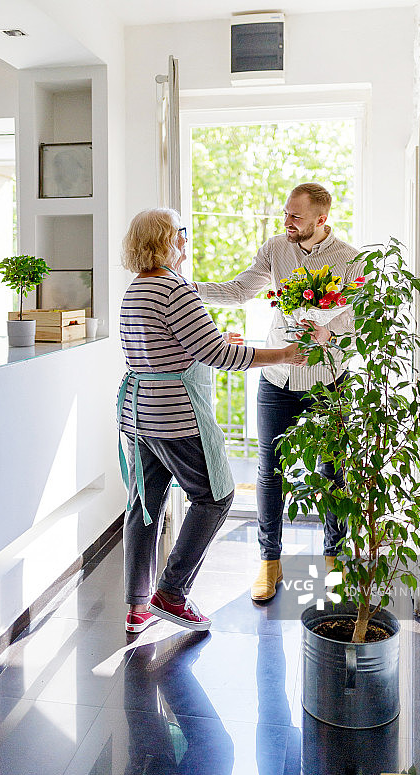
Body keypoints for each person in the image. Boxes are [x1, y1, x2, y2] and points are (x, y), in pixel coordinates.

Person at [117, 208, 305, 635]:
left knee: (144, 505)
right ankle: (172, 593)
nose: (186, 239)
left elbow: (166, 348)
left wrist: (217, 341)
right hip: (177, 419)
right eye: (181, 232)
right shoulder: (175, 290)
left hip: (140, 416)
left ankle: (137, 606)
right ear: (167, 240)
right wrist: (284, 354)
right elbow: (219, 356)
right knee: (215, 498)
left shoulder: (136, 288)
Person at [194, 182, 362, 602]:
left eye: (295, 216)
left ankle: (334, 561)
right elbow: (239, 290)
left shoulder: (350, 259)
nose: (286, 221)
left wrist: (329, 330)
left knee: (332, 472)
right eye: (286, 213)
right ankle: (270, 562)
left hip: (328, 381)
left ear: (321, 219)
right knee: (269, 472)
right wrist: (187, 288)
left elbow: (360, 319)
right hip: (277, 380)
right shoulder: (275, 249)